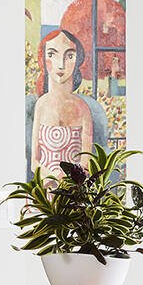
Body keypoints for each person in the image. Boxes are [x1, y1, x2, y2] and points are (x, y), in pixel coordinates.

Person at [30, 28, 96, 179]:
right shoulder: (41, 105)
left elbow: (86, 162)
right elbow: (34, 162)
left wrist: (66, 180)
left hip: (73, 192)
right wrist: (53, 177)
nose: (60, 65)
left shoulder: (83, 108)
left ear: (78, 60)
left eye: (70, 55)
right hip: (44, 191)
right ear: (43, 59)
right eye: (52, 54)